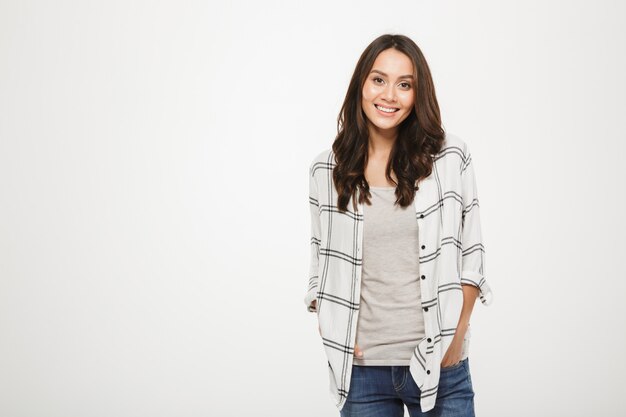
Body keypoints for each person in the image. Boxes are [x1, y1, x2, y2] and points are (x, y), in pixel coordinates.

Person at [304, 33, 493, 417]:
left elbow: (471, 256)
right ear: (361, 85)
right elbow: (320, 257)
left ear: (417, 95)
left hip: (439, 363)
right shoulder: (327, 170)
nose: (389, 95)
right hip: (361, 371)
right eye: (379, 80)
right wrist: (328, 321)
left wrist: (455, 339)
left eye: (404, 85)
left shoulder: (450, 159)